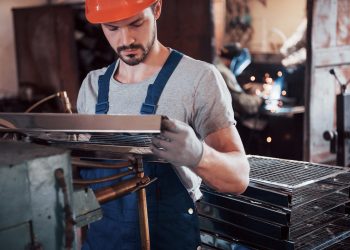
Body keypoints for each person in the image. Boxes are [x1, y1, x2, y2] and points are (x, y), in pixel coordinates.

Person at [77, 1, 250, 249]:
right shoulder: (91, 86)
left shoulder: (198, 78)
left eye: (136, 23)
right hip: (103, 241)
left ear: (156, 9)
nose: (125, 39)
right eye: (112, 28)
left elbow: (239, 178)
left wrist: (199, 156)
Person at [214, 43, 263, 116]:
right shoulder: (224, 73)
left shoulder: (215, 67)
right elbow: (240, 102)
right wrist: (259, 99)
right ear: (234, 60)